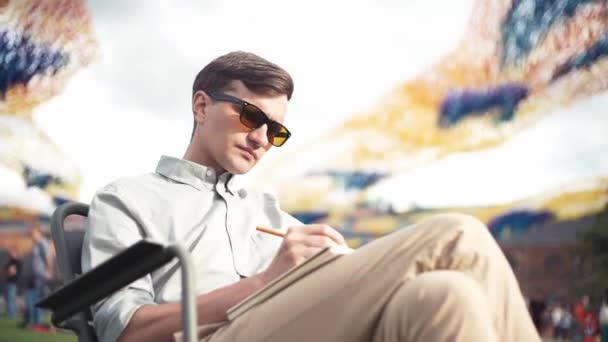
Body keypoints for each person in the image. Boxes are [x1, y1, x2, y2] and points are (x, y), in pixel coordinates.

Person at [82, 51, 541, 342]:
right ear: (201, 106)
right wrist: (264, 285)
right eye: (249, 116)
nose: (261, 138)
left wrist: (342, 265)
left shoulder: (269, 213)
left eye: (275, 129)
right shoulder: (126, 199)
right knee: (456, 233)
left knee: (446, 294)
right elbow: (124, 331)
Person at [23, 226, 51, 330]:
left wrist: (48, 271)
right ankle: (33, 321)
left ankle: (37, 322)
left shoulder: (42, 244)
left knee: (38, 298)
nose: (32, 235)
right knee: (34, 298)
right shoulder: (36, 244)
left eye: (34, 233)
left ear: (39, 233)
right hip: (36, 275)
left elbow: (47, 258)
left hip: (41, 275)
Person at [3, 247, 21, 319]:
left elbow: (18, 272)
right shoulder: (9, 261)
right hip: (8, 282)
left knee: (11, 298)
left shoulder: (17, 262)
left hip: (13, 282)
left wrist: (13, 271)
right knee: (8, 298)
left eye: (12, 252)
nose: (11, 254)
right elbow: (5, 270)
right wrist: (8, 271)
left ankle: (11, 314)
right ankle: (9, 312)